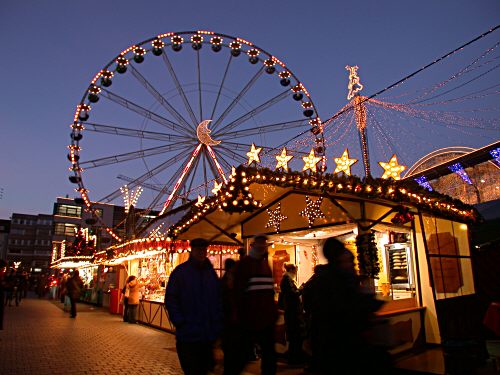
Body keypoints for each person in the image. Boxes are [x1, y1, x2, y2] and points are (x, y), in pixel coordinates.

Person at [302, 237, 385, 374]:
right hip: (342, 341)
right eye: (350, 262)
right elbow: (349, 308)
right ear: (338, 257)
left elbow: (310, 305)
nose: (352, 265)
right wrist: (370, 302)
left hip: (327, 341)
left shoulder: (320, 279)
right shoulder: (341, 280)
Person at [165, 238, 222, 375]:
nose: (202, 253)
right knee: (192, 370)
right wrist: (180, 322)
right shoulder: (181, 272)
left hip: (207, 336)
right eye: (198, 249)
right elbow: (171, 299)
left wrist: (217, 326)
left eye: (204, 250)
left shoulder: (210, 274)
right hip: (188, 335)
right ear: (192, 250)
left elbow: (217, 300)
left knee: (202, 370)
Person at [233, 234, 278, 375]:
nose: (262, 246)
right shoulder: (245, 265)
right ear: (253, 245)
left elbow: (269, 292)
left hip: (265, 320)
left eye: (264, 243)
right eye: (259, 243)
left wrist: (272, 313)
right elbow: (238, 293)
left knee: (269, 357)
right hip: (249, 319)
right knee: (242, 357)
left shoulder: (265, 265)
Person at [279, 263, 306, 365]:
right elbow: (292, 294)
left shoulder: (287, 279)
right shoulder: (287, 280)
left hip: (291, 312)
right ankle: (295, 359)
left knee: (294, 337)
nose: (296, 273)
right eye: (295, 271)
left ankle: (293, 358)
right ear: (291, 270)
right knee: (296, 336)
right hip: (293, 312)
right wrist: (301, 289)